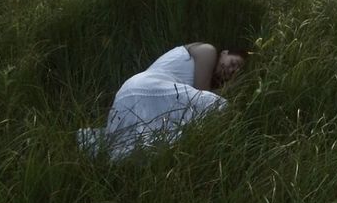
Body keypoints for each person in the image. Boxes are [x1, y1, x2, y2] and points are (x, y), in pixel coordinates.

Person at [78, 43, 246, 160]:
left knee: (149, 145)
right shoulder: (208, 50)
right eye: (233, 63)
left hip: (132, 94)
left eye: (234, 72)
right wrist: (233, 87)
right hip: (148, 88)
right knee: (221, 107)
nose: (230, 70)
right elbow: (200, 93)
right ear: (224, 52)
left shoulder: (187, 81)